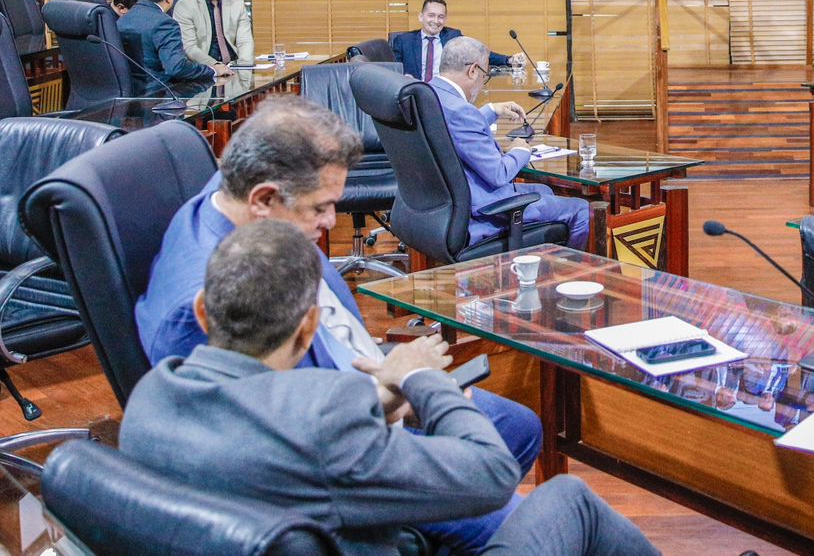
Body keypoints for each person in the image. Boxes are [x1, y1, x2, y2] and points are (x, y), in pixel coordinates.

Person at [134, 97, 546, 554]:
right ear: (264, 199)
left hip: (360, 380)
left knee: (520, 425)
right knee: (522, 516)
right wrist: (384, 402)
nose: (333, 222)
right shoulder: (198, 303)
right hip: (343, 451)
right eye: (321, 207)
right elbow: (272, 449)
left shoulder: (235, 196)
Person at [123, 220, 660, 556]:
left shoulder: (151, 398)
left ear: (202, 309)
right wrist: (422, 377)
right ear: (309, 326)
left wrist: (376, 401)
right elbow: (492, 475)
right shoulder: (324, 418)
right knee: (570, 501)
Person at [430, 37, 591, 251]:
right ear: (472, 71)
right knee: (583, 210)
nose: (482, 82)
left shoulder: (431, 92)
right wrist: (519, 150)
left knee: (544, 190)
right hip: (485, 208)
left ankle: (540, 261)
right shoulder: (461, 111)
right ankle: (568, 273)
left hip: (442, 206)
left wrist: (490, 111)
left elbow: (452, 130)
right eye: (485, 75)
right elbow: (498, 174)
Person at [117, 0, 224, 88]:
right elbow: (177, 67)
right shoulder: (165, 24)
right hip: (160, 95)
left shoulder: (121, 20)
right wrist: (213, 70)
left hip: (127, 93)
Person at [390, 0, 523, 81]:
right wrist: (403, 78)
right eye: (431, 15)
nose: (436, 21)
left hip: (446, 94)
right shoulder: (403, 41)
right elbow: (392, 71)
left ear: (445, 19)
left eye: (441, 17)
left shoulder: (452, 36)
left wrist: (509, 60)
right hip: (415, 95)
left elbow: (478, 52)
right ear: (421, 17)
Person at [173, 0, 255, 70]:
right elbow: (189, 47)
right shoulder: (184, 6)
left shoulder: (237, 4)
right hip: (202, 70)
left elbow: (245, 41)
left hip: (233, 67)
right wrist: (216, 66)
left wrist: (244, 67)